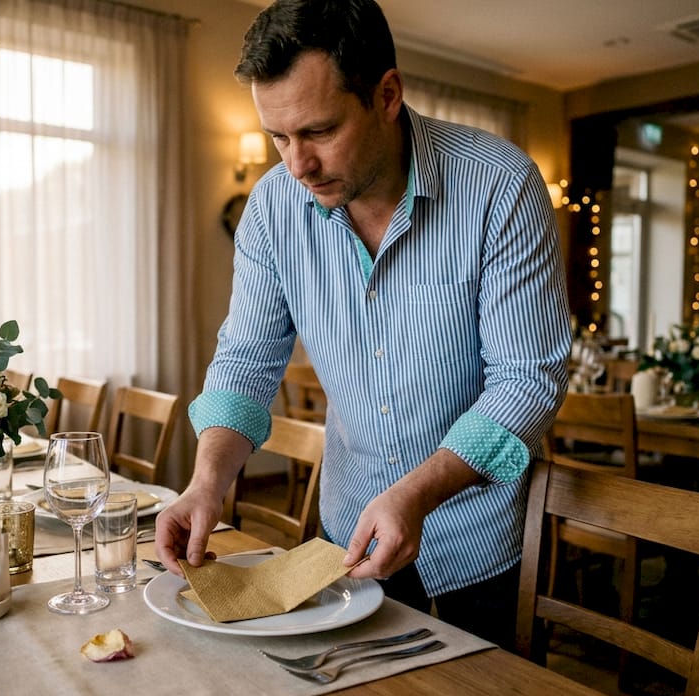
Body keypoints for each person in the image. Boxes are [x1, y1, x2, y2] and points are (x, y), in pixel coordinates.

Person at [154, 0, 569, 649]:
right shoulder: (272, 209)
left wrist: (418, 492)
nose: (297, 165)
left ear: (387, 95)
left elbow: (526, 382)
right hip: (342, 544)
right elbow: (245, 364)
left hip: (481, 553)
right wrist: (208, 480)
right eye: (278, 137)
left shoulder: (500, 186)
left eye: (318, 132)